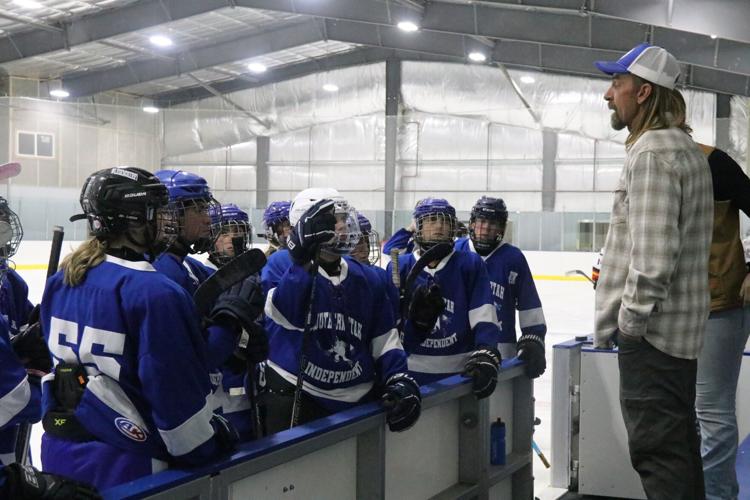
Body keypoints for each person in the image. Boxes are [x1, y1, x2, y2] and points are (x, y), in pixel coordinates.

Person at [40, 167, 240, 490]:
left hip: (59, 453)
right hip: (127, 462)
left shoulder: (61, 281)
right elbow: (179, 414)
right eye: (158, 212)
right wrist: (212, 441)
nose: (166, 221)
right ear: (133, 220)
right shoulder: (155, 292)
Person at [593, 43, 713, 499]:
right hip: (678, 338)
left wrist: (630, 326)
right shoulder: (684, 149)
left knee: (658, 454)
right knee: (678, 448)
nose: (609, 94)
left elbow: (654, 258)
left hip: (653, 339)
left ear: (644, 92)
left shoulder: (651, 154)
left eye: (617, 84)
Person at [262, 188, 420, 434]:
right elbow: (286, 315)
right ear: (308, 225)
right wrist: (303, 261)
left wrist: (398, 378)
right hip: (300, 395)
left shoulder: (368, 277)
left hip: (358, 399)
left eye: (345, 219)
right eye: (334, 220)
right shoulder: (280, 266)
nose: (343, 227)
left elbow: (385, 340)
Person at [386, 198, 502, 399]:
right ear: (418, 227)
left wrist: (485, 349)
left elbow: (483, 312)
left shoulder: (469, 263)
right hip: (411, 371)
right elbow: (389, 324)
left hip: (461, 373)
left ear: (453, 228)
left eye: (445, 222)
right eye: (431, 220)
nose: (439, 226)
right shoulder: (401, 266)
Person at [694, 145, 750, 500]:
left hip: (721, 304)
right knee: (694, 417)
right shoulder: (644, 159)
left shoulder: (712, 162)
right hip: (679, 308)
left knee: (711, 413)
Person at [454, 196, 546, 378]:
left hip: (501, 355)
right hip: (458, 353)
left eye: (493, 224)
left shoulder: (513, 258)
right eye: (482, 222)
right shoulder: (455, 251)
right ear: (472, 223)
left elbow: (530, 305)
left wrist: (534, 338)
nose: (486, 228)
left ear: (502, 228)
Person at [205, 203, 266, 441]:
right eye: (225, 232)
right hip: (220, 386)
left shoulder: (255, 275)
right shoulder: (202, 275)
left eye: (238, 231)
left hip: (253, 383)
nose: (233, 238)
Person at [0, 199, 44, 466]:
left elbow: (29, 329)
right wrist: (40, 383)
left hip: (14, 444)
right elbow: (12, 399)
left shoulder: (11, 284)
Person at [206, 203, 252, 270]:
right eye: (223, 232)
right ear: (209, 238)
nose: (232, 237)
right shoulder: (204, 275)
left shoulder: (254, 269)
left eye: (237, 231)